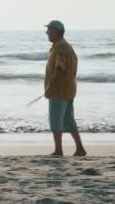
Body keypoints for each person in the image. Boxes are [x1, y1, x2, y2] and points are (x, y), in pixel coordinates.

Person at [44, 20, 87, 157]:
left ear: (57, 31)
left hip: (60, 90)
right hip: (68, 89)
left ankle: (58, 150)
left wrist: (50, 87)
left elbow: (59, 69)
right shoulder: (63, 46)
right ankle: (80, 148)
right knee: (68, 119)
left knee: (56, 119)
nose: (47, 33)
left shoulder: (61, 47)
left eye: (49, 30)